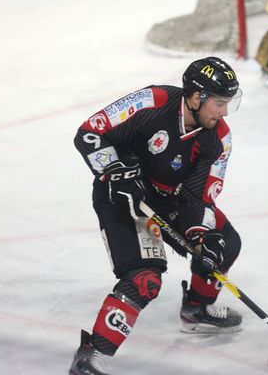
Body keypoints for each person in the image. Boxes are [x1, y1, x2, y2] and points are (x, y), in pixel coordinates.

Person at [70, 56, 244, 375]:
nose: (224, 112)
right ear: (195, 97)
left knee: (224, 243)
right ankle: (91, 358)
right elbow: (90, 133)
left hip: (167, 202)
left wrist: (201, 238)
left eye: (227, 103)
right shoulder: (153, 101)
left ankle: (197, 308)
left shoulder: (218, 139)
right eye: (219, 103)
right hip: (121, 198)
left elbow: (198, 197)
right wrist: (114, 169)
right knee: (144, 279)